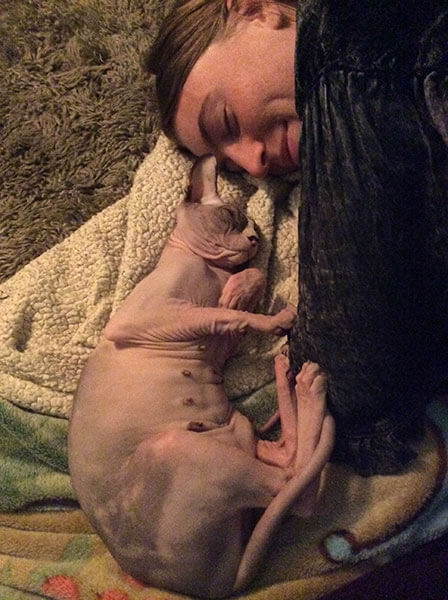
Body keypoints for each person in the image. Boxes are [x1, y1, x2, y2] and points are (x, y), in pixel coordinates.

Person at [145, 0, 448, 475]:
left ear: (255, 10)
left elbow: (348, 379)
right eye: (231, 166)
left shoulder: (350, 44)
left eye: (226, 122)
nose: (253, 165)